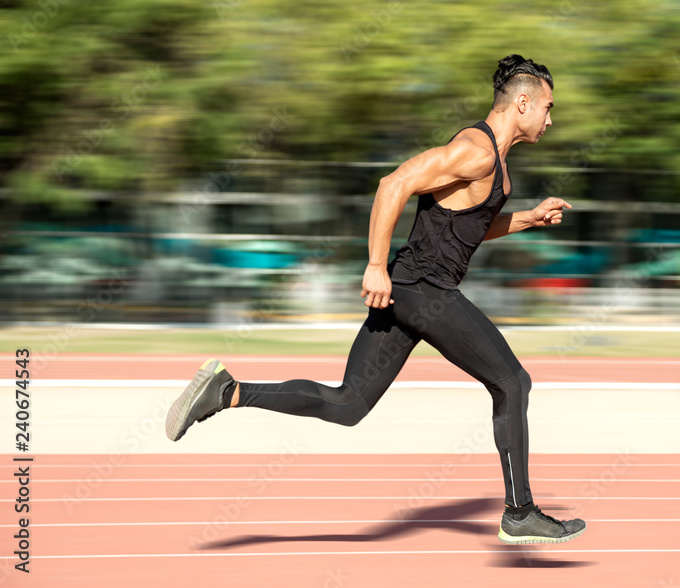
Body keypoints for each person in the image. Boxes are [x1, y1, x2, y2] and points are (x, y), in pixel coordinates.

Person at [165, 54, 585, 545]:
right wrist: (375, 265)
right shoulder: (477, 151)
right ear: (523, 102)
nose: (551, 120)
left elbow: (467, 231)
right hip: (423, 289)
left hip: (412, 292)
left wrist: (528, 219)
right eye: (548, 108)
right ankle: (519, 512)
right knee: (513, 382)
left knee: (349, 403)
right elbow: (394, 183)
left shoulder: (493, 160)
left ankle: (227, 391)